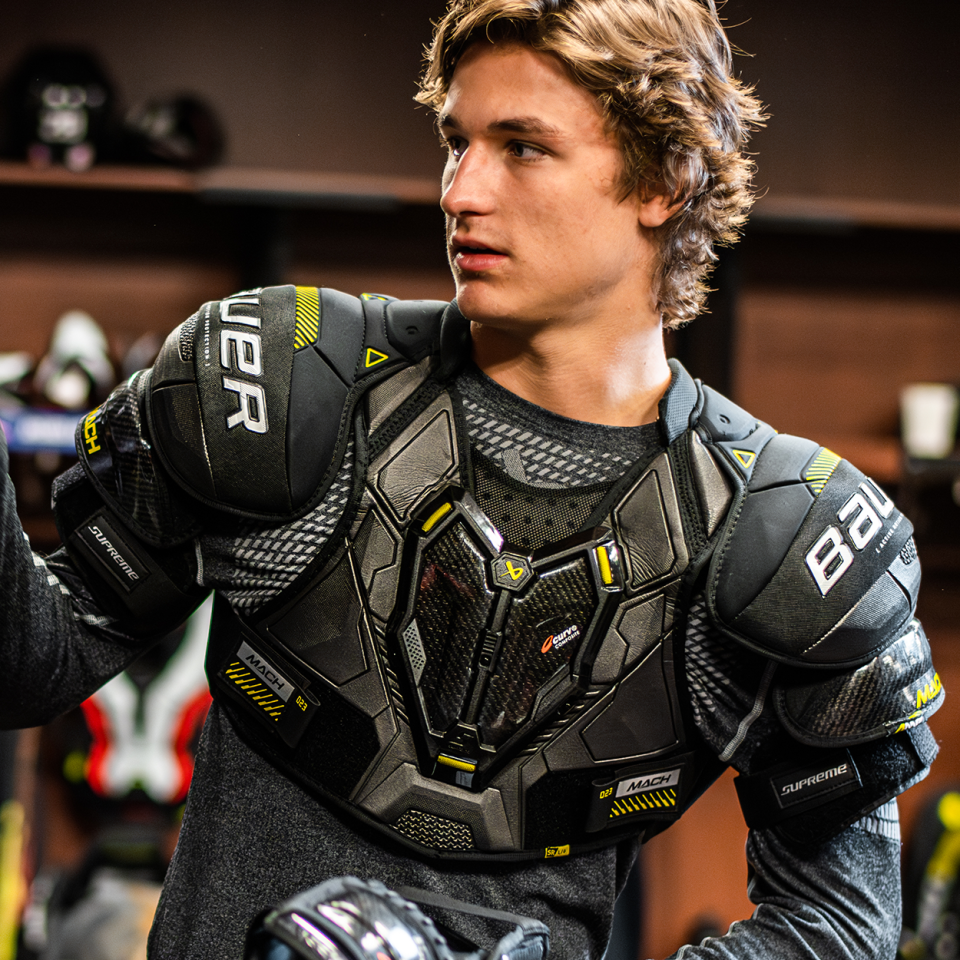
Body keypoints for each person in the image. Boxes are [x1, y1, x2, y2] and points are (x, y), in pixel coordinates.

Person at [0, 1, 943, 958]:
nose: (460, 190)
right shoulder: (285, 388)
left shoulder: (778, 540)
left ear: (665, 180)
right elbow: (30, 663)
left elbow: (837, 926)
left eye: (522, 147)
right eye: (458, 142)